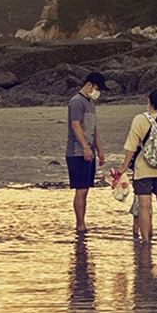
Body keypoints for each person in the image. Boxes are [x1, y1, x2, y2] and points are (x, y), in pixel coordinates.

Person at [112, 89, 157, 243]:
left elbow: (131, 147)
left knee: (144, 207)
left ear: (149, 100)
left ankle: (146, 241)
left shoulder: (139, 120)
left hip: (144, 170)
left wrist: (123, 168)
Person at [66, 72, 107, 234]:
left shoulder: (90, 104)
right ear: (89, 85)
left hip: (89, 152)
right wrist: (85, 147)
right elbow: (75, 126)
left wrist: (100, 150)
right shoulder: (76, 102)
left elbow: (94, 129)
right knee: (81, 189)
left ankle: (83, 223)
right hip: (76, 152)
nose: (98, 92)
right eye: (97, 88)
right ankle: (80, 224)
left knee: (86, 189)